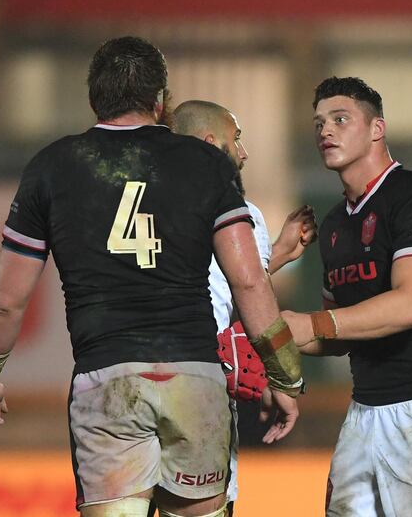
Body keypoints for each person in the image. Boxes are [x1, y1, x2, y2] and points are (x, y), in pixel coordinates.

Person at [0, 36, 304, 517]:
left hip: (107, 381)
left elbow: (6, 301)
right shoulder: (208, 166)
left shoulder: (52, 167)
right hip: (194, 377)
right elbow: (249, 282)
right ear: (160, 101)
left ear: (92, 100)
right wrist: (286, 377)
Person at [283, 77, 412, 517]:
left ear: (377, 129)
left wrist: (311, 325)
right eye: (319, 123)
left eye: (341, 119)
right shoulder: (336, 223)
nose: (326, 131)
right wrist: (280, 334)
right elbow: (341, 334)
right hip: (363, 414)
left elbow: (411, 305)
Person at [171, 99, 317, 515]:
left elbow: (220, 284)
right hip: (197, 388)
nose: (244, 151)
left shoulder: (137, 200)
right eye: (237, 139)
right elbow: (249, 290)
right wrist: (285, 379)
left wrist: (278, 253)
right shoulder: (236, 209)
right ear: (210, 142)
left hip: (124, 379)